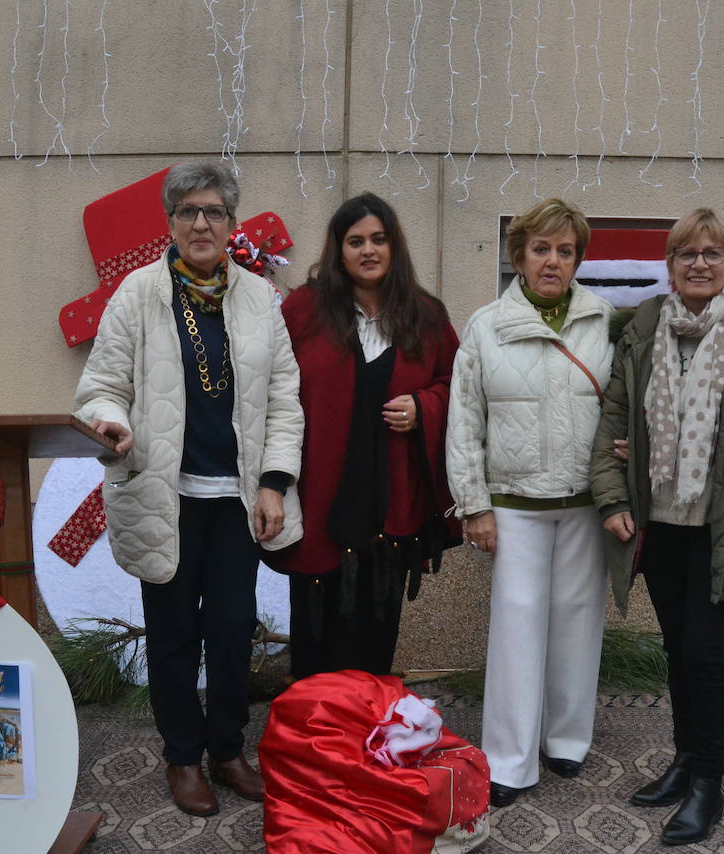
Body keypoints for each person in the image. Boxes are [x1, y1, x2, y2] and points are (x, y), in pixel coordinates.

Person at [75, 160, 304, 817]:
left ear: (231, 224)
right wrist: (112, 424)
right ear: (171, 223)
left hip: (236, 501)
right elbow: (102, 386)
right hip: (162, 496)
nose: (201, 223)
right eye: (188, 212)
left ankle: (228, 750)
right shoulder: (137, 294)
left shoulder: (261, 299)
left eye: (214, 212)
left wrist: (274, 484)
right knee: (173, 633)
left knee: (231, 631)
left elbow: (286, 398)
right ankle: (182, 758)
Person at [590, 207, 724, 845]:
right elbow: (616, 419)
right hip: (660, 520)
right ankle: (685, 762)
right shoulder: (646, 327)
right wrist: (612, 497)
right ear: (670, 264)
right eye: (687, 254)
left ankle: (708, 782)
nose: (699, 265)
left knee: (704, 653)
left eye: (713, 254)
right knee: (677, 651)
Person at [445, 198, 614, 808]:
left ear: (578, 259)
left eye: (565, 251)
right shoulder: (486, 325)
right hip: (513, 505)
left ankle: (566, 739)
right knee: (517, 630)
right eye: (541, 248)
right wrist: (474, 506)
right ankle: (510, 762)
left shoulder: (604, 322)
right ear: (518, 255)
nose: (553, 261)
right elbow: (464, 422)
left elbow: (622, 410)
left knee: (577, 622)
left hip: (586, 503)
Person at [270, 192, 459, 679]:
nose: (368, 250)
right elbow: (270, 389)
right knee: (315, 638)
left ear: (395, 246)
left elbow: (458, 384)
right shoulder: (304, 310)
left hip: (391, 508)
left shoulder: (425, 315)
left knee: (376, 638)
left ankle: (364, 737)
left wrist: (424, 406)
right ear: (339, 249)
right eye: (355, 241)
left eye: (379, 239)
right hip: (321, 502)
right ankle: (312, 740)